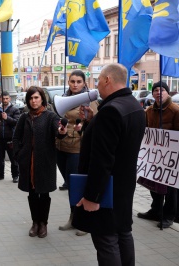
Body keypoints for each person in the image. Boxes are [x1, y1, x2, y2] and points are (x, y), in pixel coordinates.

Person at [71, 63, 146, 266]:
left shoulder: (110, 111)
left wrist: (92, 197)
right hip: (123, 184)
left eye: (98, 80)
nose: (97, 86)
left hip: (106, 188)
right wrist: (91, 122)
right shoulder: (134, 106)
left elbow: (102, 160)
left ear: (107, 80)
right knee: (123, 233)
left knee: (106, 239)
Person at [12, 86, 67, 238]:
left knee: (44, 194)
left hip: (45, 162)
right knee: (32, 194)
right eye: (31, 98)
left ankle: (43, 223)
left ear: (42, 98)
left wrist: (62, 131)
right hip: (28, 162)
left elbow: (58, 131)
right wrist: (18, 154)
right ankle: (35, 222)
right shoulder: (24, 117)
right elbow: (16, 137)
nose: (33, 101)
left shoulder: (50, 116)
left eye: (36, 97)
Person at [56, 70, 98, 237]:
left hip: (77, 148)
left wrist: (86, 123)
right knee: (70, 184)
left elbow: (95, 122)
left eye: (78, 81)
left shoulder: (89, 100)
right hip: (61, 145)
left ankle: (84, 221)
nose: (75, 84)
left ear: (84, 83)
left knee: (77, 185)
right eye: (72, 81)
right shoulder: (63, 97)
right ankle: (74, 217)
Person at [137, 81, 179, 228]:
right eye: (155, 90)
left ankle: (169, 215)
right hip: (154, 155)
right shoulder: (148, 111)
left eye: (162, 90)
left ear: (167, 92)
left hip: (171, 157)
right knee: (153, 184)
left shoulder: (175, 110)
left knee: (170, 189)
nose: (158, 93)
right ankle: (156, 210)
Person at [0, 91, 20, 183]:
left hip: (10, 138)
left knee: (13, 158)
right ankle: (0, 174)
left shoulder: (14, 110)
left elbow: (17, 122)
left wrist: (7, 118)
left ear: (10, 99)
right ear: (0, 99)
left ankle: (15, 175)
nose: (5, 100)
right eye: (3, 98)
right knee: (0, 158)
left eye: (7, 98)